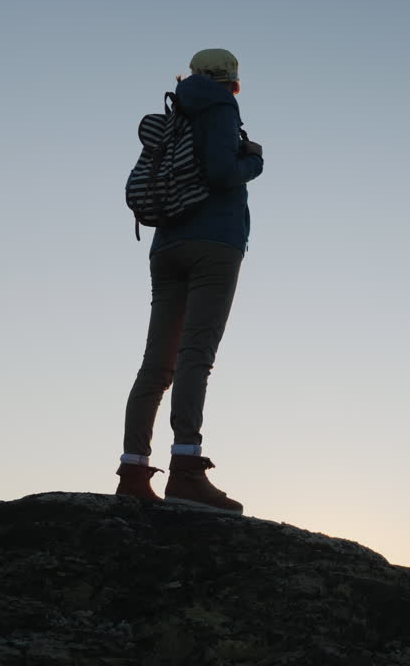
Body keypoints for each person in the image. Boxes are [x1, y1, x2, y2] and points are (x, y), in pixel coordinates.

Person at [115, 48, 264, 514]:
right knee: (196, 354)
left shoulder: (176, 111)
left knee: (155, 364)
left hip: (167, 246)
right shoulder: (220, 107)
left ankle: (134, 472)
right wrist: (254, 162)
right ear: (231, 82)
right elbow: (222, 173)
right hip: (214, 243)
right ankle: (185, 469)